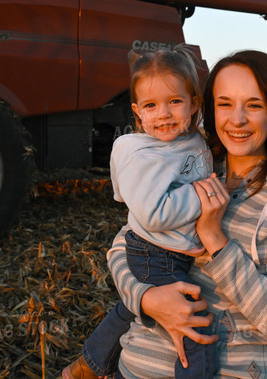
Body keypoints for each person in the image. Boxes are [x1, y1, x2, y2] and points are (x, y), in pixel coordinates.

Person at [102, 49, 267, 378]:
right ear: (208, 108)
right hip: (135, 367)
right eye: (225, 104)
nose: (236, 119)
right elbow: (125, 245)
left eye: (254, 105)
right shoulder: (189, 164)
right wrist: (147, 298)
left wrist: (216, 241)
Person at [63, 45, 217, 379]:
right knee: (195, 332)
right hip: (156, 251)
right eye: (151, 105)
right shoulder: (142, 154)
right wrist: (204, 195)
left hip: (173, 249)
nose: (163, 114)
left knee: (133, 307)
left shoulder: (189, 139)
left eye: (174, 101)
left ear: (194, 103)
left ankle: (90, 363)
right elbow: (153, 215)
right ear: (138, 112)